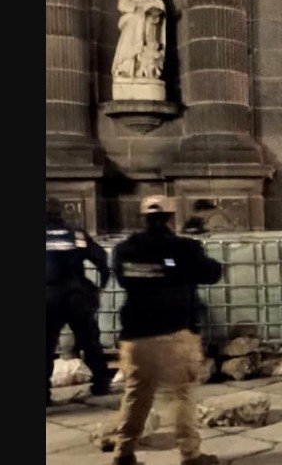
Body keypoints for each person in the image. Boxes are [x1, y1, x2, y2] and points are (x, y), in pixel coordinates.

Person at [109, 196, 223, 465]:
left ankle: (123, 453)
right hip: (176, 332)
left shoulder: (125, 250)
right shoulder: (185, 247)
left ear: (142, 217)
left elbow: (123, 278)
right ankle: (191, 455)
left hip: (136, 335)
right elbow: (211, 273)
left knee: (136, 393)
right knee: (182, 395)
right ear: (172, 216)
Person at [46, 197, 113, 406]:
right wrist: (100, 287)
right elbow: (101, 260)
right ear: (60, 213)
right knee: (89, 340)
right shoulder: (76, 235)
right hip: (77, 294)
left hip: (47, 296)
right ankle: (101, 383)